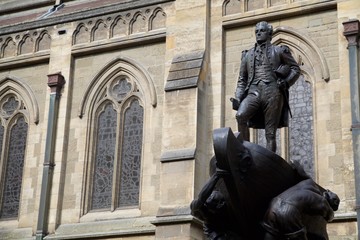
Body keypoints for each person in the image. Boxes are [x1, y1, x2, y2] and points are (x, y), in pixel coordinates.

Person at [233, 21, 300, 152]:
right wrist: (238, 97)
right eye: (256, 31)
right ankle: (245, 151)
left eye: (261, 31)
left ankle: (270, 161)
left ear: (269, 34)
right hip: (254, 92)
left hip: (273, 92)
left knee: (270, 133)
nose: (258, 33)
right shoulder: (247, 55)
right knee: (241, 115)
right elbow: (242, 80)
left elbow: (295, 69)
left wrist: (286, 82)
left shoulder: (279, 51)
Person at [262, 179, 340, 240]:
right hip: (289, 210)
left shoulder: (309, 183)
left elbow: (300, 170)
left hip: (275, 203)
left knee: (271, 235)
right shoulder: (323, 202)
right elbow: (330, 217)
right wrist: (330, 211)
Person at [190, 162, 241, 240]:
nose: (224, 203)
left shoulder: (217, 191)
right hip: (217, 235)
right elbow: (199, 201)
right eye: (221, 202)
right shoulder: (206, 213)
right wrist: (216, 175)